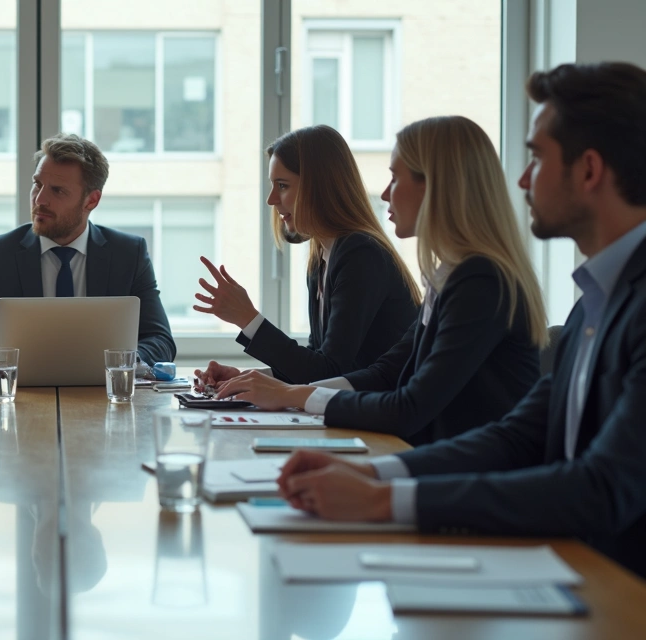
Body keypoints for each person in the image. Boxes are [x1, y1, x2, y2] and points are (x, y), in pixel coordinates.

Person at [275, 62, 646, 579]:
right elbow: (515, 436)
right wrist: (372, 473)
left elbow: (602, 487)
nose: (521, 178)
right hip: (566, 564)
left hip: (613, 588)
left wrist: (384, 499)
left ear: (588, 171)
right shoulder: (592, 302)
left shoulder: (501, 283)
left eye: (536, 158)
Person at [215, 116, 548, 446]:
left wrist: (296, 393)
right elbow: (386, 373)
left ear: (436, 186)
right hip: (441, 458)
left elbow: (408, 405)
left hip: (466, 473)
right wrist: (274, 387)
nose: (385, 194)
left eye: (395, 179)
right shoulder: (448, 277)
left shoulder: (479, 282)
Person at [0, 133, 176, 378]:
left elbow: (160, 341)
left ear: (91, 200)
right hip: (22, 404)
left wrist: (123, 362)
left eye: (57, 191)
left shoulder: (128, 254)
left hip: (105, 400)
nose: (40, 199)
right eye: (37, 184)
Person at [194, 125, 421, 386]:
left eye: (282, 185)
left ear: (319, 187)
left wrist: (248, 318)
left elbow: (329, 372)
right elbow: (317, 361)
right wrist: (248, 378)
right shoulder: (321, 258)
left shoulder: (361, 255)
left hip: (380, 417)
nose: (271, 199)